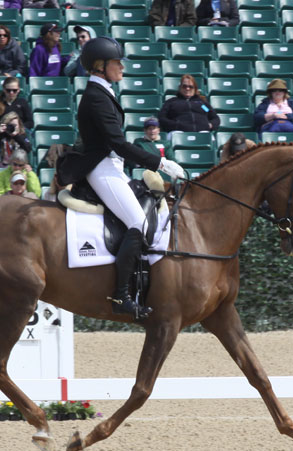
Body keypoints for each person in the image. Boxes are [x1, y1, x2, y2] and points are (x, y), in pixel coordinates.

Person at [56, 37, 185, 319]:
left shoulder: (102, 92)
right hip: (100, 166)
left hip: (111, 165)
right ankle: (121, 295)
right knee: (136, 222)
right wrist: (159, 162)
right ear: (100, 66)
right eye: (117, 62)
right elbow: (117, 142)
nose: (122, 67)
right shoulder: (95, 97)